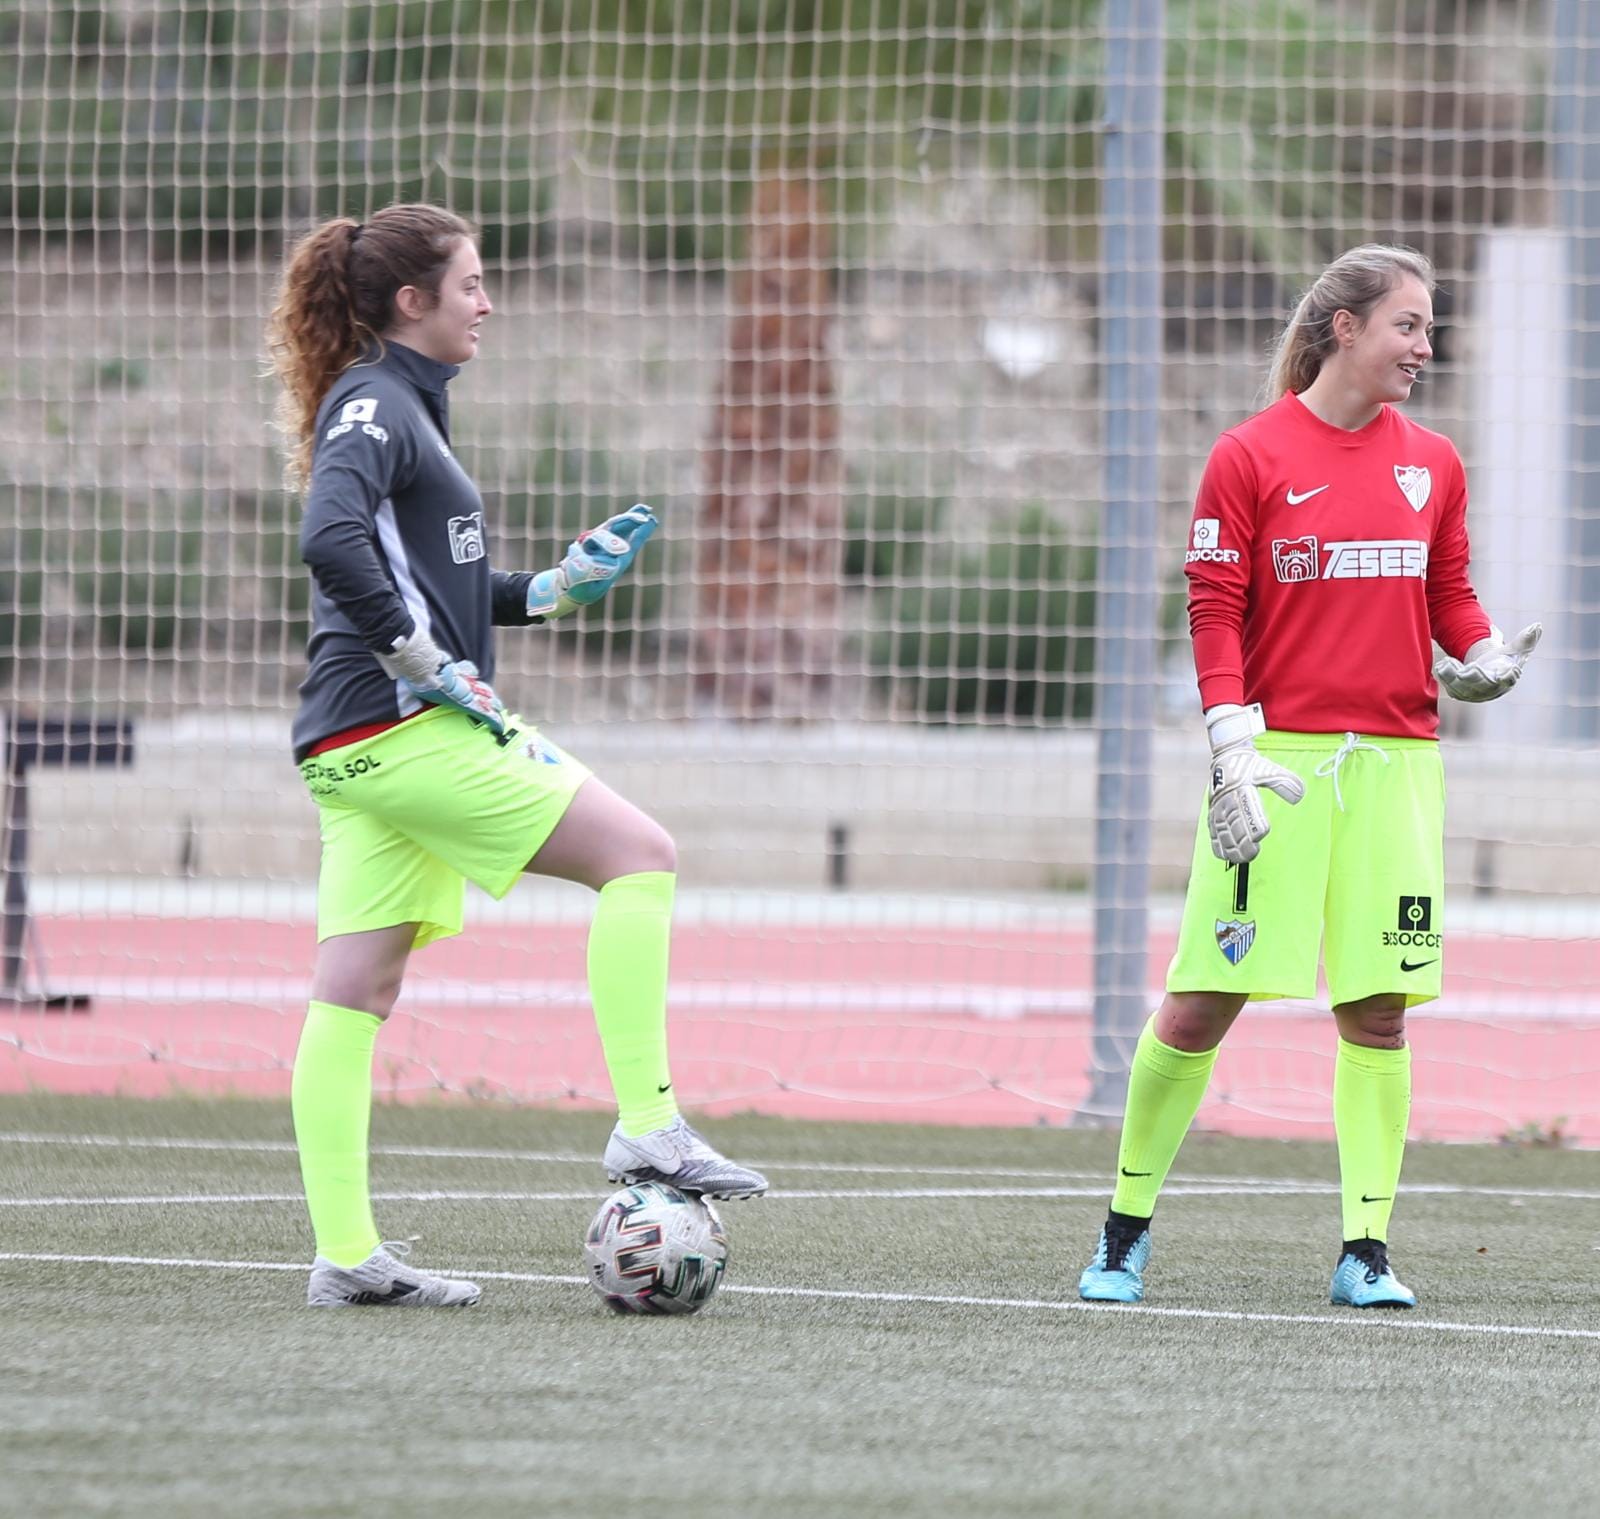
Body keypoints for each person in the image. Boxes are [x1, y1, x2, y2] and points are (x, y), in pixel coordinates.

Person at [266, 203, 767, 1309]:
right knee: (638, 852)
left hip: (356, 745)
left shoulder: (409, 411)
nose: (488, 304)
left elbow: (432, 588)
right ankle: (649, 1128)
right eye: (472, 285)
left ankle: (347, 1254)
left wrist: (549, 589)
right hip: (399, 730)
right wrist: (416, 659)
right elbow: (330, 540)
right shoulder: (373, 403)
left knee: (354, 989)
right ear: (414, 301)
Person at [1077, 244, 1541, 1310]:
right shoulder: (1247, 455)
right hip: (1272, 766)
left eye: (1429, 329)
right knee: (1202, 1002)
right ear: (1345, 329)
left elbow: (1449, 595)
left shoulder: (1434, 461)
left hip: (1395, 769)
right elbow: (1213, 610)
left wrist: (1478, 658)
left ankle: (1364, 1252)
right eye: (1408, 326)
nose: (1425, 347)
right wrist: (1231, 743)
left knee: (1379, 1013)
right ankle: (1122, 1232)